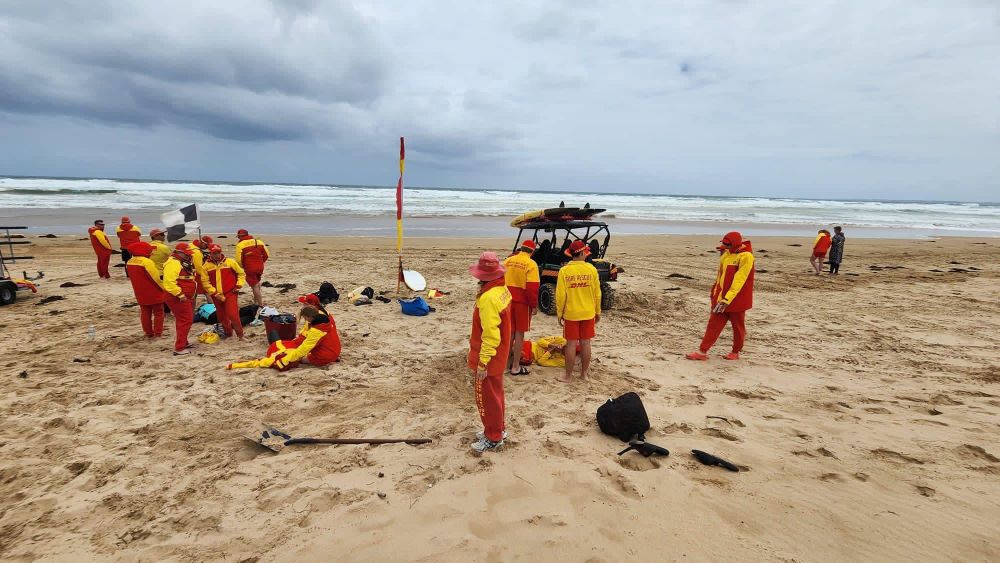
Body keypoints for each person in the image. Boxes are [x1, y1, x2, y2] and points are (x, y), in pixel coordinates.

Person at [467, 251, 513, 454]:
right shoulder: (502, 290)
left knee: (487, 398)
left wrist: (483, 362)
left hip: (489, 356)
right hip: (500, 353)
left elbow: (491, 335)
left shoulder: (488, 299)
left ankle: (493, 437)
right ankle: (498, 429)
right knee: (496, 394)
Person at [686, 231, 755, 361]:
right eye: (724, 244)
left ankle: (735, 352)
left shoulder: (746, 256)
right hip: (721, 298)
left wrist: (727, 299)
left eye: (727, 245)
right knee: (713, 324)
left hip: (737, 300)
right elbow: (720, 278)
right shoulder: (726, 255)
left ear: (735, 244)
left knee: (738, 327)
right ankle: (702, 352)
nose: (725, 247)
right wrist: (715, 293)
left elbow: (740, 280)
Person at [226, 301, 341, 370]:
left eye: (305, 318)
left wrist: (285, 360)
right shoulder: (327, 318)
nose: (306, 321)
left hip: (324, 355)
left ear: (310, 317)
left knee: (298, 358)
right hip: (334, 349)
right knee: (291, 347)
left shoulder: (317, 330)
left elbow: (303, 349)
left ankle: (327, 358)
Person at [555, 240, 601, 382]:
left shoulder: (564, 271)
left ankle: (568, 376)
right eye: (585, 252)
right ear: (581, 253)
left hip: (571, 313)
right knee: (586, 343)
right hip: (588, 312)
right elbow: (597, 293)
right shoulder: (591, 269)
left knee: (571, 344)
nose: (586, 254)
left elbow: (560, 295)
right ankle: (584, 374)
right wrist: (597, 311)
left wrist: (559, 314)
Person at [503, 239, 540, 376]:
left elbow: (500, 279)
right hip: (522, 303)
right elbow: (532, 288)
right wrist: (533, 305)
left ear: (521, 248)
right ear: (532, 252)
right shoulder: (531, 264)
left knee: (509, 332)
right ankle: (515, 366)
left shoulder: (508, 261)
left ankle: (505, 365)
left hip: (506, 300)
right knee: (519, 334)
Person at [202, 244, 246, 340]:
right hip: (216, 295)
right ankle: (228, 333)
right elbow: (205, 282)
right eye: (214, 253)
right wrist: (215, 294)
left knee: (233, 315)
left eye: (218, 253)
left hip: (230, 293)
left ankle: (240, 335)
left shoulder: (230, 262)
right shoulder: (206, 266)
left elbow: (241, 273)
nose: (217, 255)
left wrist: (238, 285)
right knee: (221, 316)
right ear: (210, 253)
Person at [125, 241, 166, 338]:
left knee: (145, 312)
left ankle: (148, 332)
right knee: (159, 312)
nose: (150, 253)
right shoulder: (146, 262)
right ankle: (158, 332)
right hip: (153, 290)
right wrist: (163, 288)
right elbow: (155, 278)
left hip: (139, 291)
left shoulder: (129, 262)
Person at [163, 243, 198, 355]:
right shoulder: (173, 263)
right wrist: (180, 295)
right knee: (186, 320)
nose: (189, 256)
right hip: (178, 297)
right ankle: (179, 348)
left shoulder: (180, 262)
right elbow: (169, 283)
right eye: (186, 254)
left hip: (183, 296)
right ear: (179, 252)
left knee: (183, 320)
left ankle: (183, 342)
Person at [235, 229, 270, 307]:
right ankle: (256, 301)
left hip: (249, 268)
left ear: (240, 236)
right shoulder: (258, 242)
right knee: (257, 283)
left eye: (238, 237)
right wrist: (261, 262)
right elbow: (267, 254)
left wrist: (242, 266)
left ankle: (260, 304)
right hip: (260, 266)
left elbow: (238, 260)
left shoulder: (240, 245)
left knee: (254, 285)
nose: (238, 238)